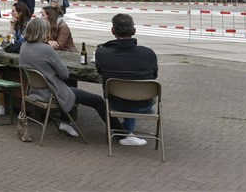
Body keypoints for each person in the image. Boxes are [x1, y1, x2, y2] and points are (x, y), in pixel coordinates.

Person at [19, 19, 127, 139]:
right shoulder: (46, 49)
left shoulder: (24, 47)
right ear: (43, 31)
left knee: (68, 88)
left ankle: (65, 122)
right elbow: (64, 74)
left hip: (35, 91)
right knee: (97, 100)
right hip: (51, 93)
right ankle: (122, 135)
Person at [95, 13, 159, 147]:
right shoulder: (148, 53)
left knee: (124, 89)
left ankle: (123, 131)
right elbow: (154, 76)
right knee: (134, 87)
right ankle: (126, 131)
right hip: (144, 102)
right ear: (134, 31)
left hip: (115, 102)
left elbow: (100, 72)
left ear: (113, 31)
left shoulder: (102, 53)